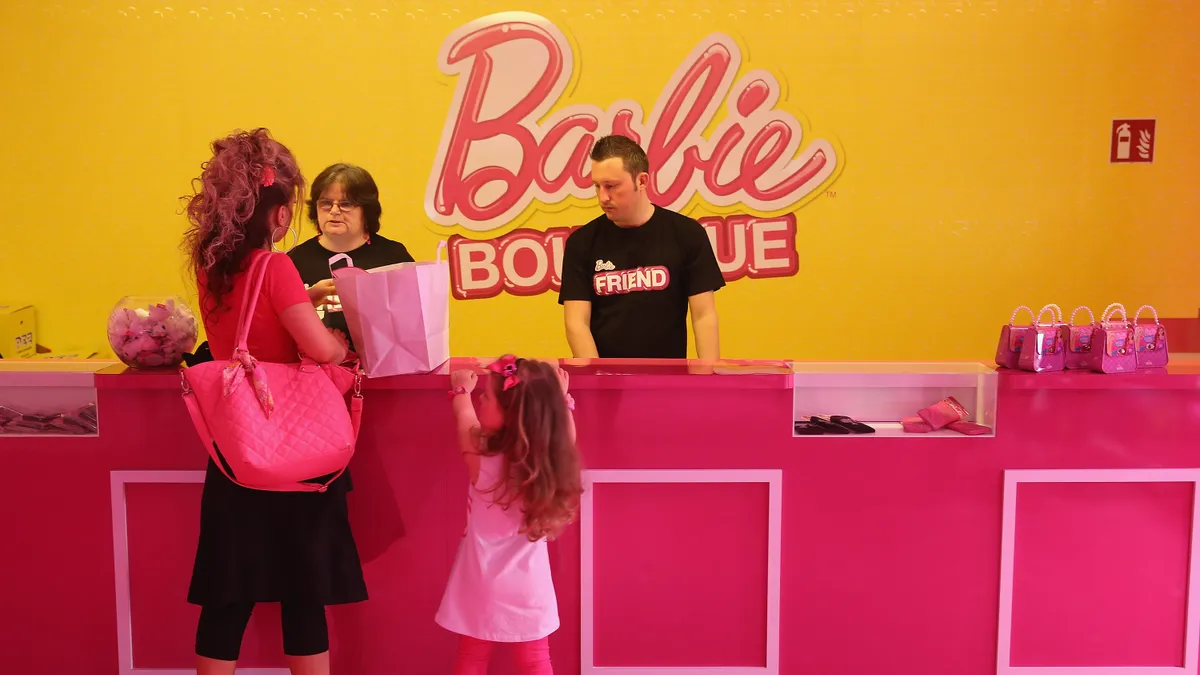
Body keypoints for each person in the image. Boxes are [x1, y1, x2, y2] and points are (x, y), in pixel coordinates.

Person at [181, 128, 368, 675]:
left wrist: (295, 303)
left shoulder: (211, 265)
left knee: (227, 594)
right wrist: (337, 339)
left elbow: (244, 332)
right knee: (302, 593)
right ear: (279, 212)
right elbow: (320, 350)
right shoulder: (278, 266)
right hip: (295, 454)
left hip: (236, 451)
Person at [436, 356, 583, 675]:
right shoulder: (550, 465)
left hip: (480, 580)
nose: (481, 398)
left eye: (486, 397)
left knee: (472, 655)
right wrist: (560, 400)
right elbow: (563, 435)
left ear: (508, 414)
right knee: (534, 660)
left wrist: (461, 390)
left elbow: (465, 421)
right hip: (530, 584)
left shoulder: (482, 458)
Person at [558, 134, 726, 360]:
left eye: (612, 186)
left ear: (642, 181)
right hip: (608, 384)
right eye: (597, 186)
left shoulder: (687, 234)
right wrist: (598, 379)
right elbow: (576, 323)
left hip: (668, 381)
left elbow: (703, 315)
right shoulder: (581, 242)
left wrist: (709, 377)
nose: (603, 197)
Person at [288, 163, 414, 353]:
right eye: (325, 203)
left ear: (367, 210)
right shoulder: (295, 259)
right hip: (314, 371)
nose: (334, 211)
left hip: (382, 367)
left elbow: (415, 320)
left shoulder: (393, 256)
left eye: (346, 204)